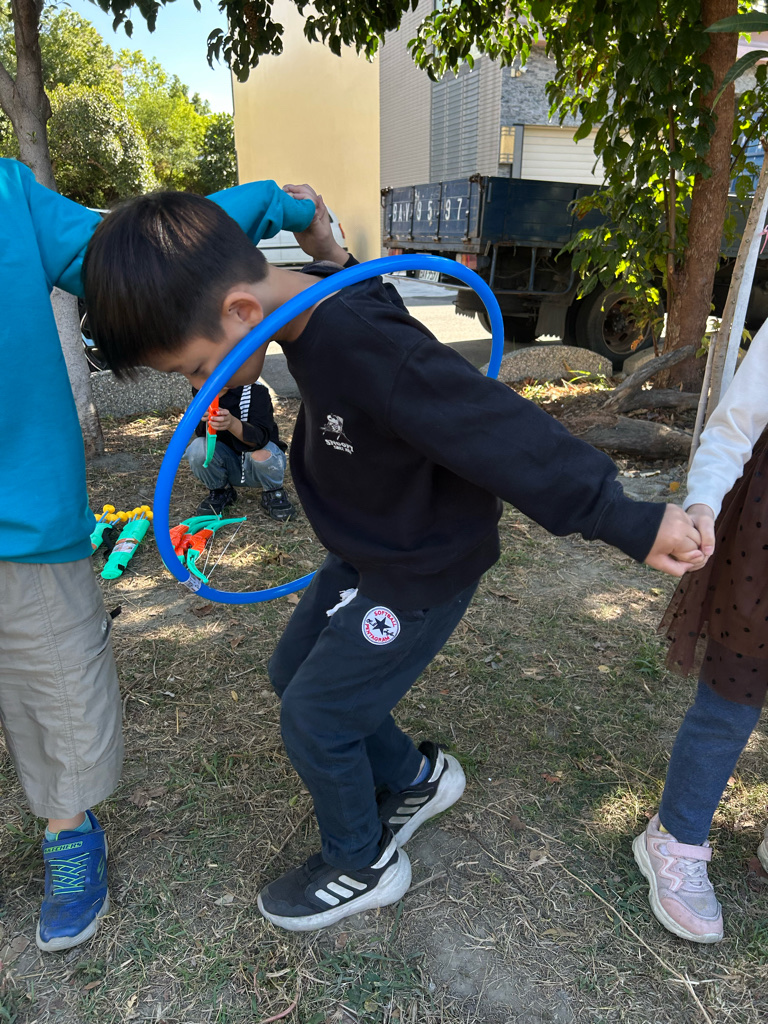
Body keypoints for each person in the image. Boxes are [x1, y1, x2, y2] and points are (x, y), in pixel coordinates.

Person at [82, 185, 706, 934]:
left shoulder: (362, 346)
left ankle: (361, 861)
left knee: (316, 717)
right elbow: (370, 297)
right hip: (369, 547)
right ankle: (414, 778)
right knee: (292, 673)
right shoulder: (317, 299)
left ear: (243, 311)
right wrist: (331, 249)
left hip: (419, 566)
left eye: (195, 368)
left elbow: (498, 430)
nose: (199, 387)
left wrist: (625, 518)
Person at [0, 157, 316, 950]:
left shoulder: (7, 198)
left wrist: (281, 206)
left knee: (52, 679)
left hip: (19, 516)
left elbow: (148, 250)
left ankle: (69, 829)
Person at [632, 318, 768, 944]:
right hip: (762, 546)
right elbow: (736, 423)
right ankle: (676, 835)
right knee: (731, 699)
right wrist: (703, 502)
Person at [188, 383, 295, 520]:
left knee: (262, 454)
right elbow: (202, 434)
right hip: (228, 463)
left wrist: (232, 424)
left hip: (258, 465)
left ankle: (274, 492)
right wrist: (204, 417)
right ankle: (220, 490)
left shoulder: (256, 391)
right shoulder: (204, 391)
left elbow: (259, 439)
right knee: (197, 448)